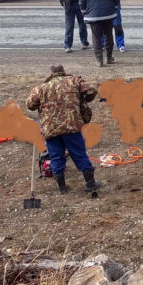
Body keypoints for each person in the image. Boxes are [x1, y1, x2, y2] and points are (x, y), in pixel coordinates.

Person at [26, 64, 99, 194]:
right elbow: (91, 91)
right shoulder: (74, 80)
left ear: (51, 73)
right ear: (63, 71)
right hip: (71, 126)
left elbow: (30, 105)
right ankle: (90, 184)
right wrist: (81, 98)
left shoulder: (41, 87)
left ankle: (62, 188)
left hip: (51, 129)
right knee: (79, 154)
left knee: (56, 157)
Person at [79, 0, 119, 67]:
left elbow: (81, 0)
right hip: (108, 13)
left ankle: (99, 60)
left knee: (96, 36)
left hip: (93, 15)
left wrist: (84, 12)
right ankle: (109, 57)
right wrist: (114, 7)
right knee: (108, 34)